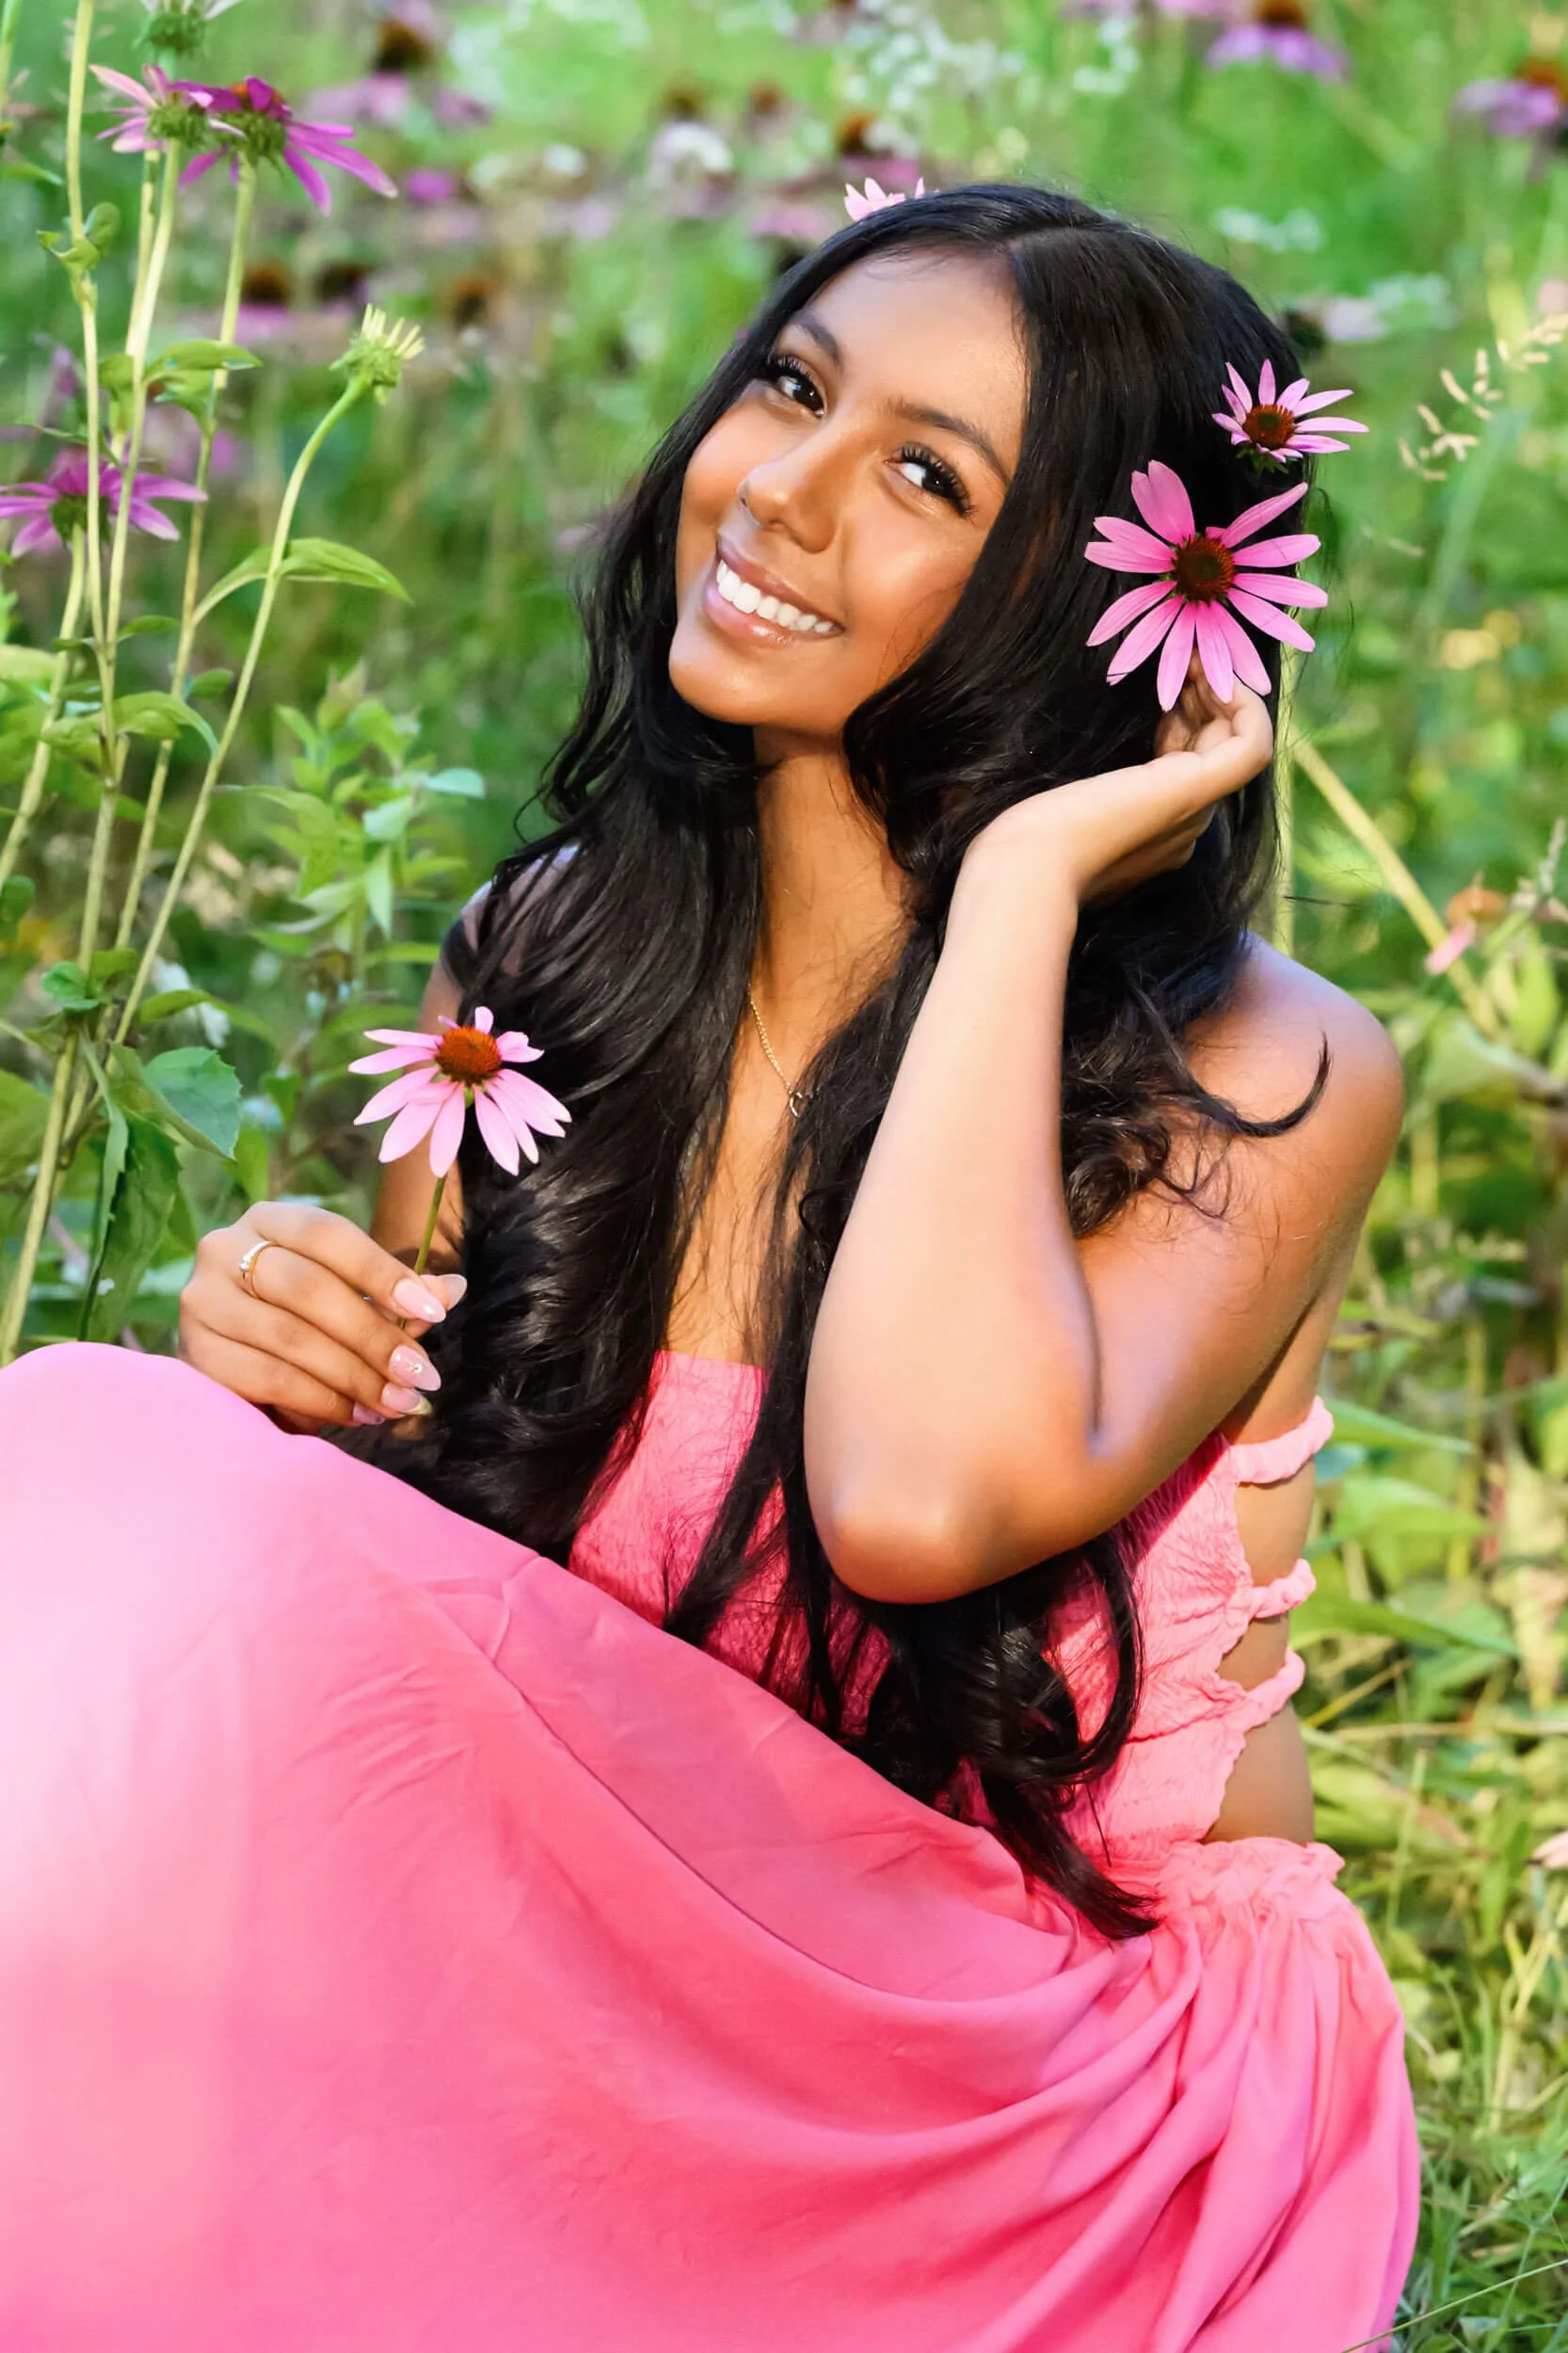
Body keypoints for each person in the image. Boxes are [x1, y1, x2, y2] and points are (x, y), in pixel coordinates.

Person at [0, 184, 1416, 2350]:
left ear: (1103, 602)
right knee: (92, 1440)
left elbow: (911, 1503)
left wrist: (1025, 881)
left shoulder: (1255, 1064)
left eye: (926, 476)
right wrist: (289, 1375)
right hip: (645, 1992)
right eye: (789, 385)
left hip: (1052, 2091)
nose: (783, 490)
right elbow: (471, 1638)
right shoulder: (552, 958)